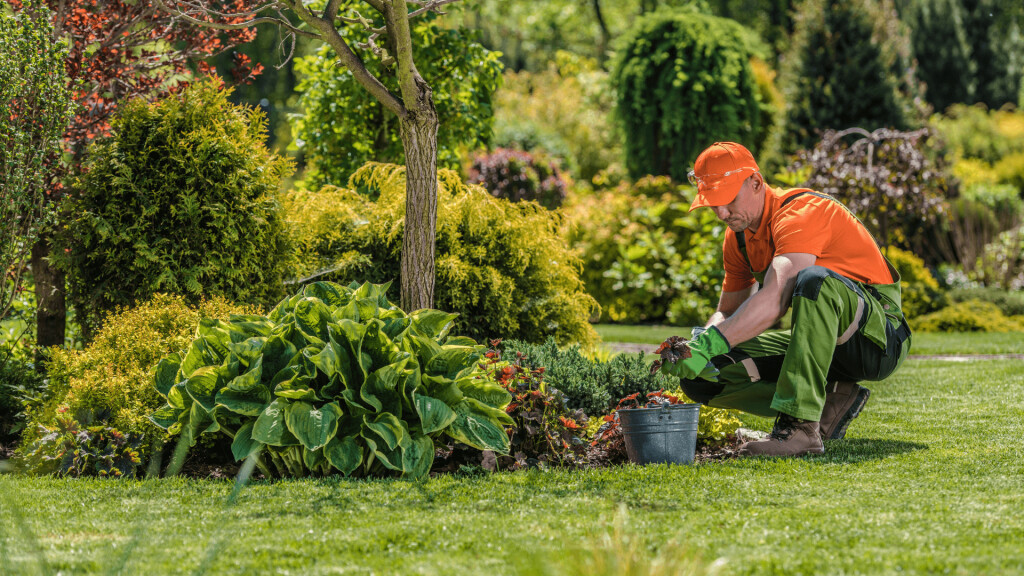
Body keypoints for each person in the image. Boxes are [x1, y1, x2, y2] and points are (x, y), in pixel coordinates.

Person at [661, 142, 911, 456]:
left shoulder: (800, 213)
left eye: (728, 200)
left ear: (755, 182)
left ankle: (800, 428)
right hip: (821, 342)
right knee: (704, 379)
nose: (721, 213)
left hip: (878, 340)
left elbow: (776, 298)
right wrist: (696, 348)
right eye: (712, 204)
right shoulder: (737, 237)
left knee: (813, 281)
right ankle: (833, 401)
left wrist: (710, 343)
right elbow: (727, 313)